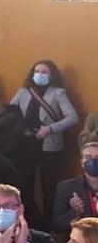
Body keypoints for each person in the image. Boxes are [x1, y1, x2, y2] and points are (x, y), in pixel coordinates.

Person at [7, 60, 78, 221]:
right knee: (25, 183)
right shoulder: (23, 91)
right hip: (26, 144)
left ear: (52, 75)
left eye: (44, 71)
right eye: (37, 71)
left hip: (49, 144)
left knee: (49, 185)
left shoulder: (58, 93)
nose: (39, 74)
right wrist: (21, 130)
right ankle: (28, 220)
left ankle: (50, 221)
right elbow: (10, 114)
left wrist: (50, 129)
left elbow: (73, 117)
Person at [52, 141, 98, 233]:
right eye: (88, 157)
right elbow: (57, 227)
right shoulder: (66, 187)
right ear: (82, 163)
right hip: (80, 242)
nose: (93, 161)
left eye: (97, 157)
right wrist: (75, 212)